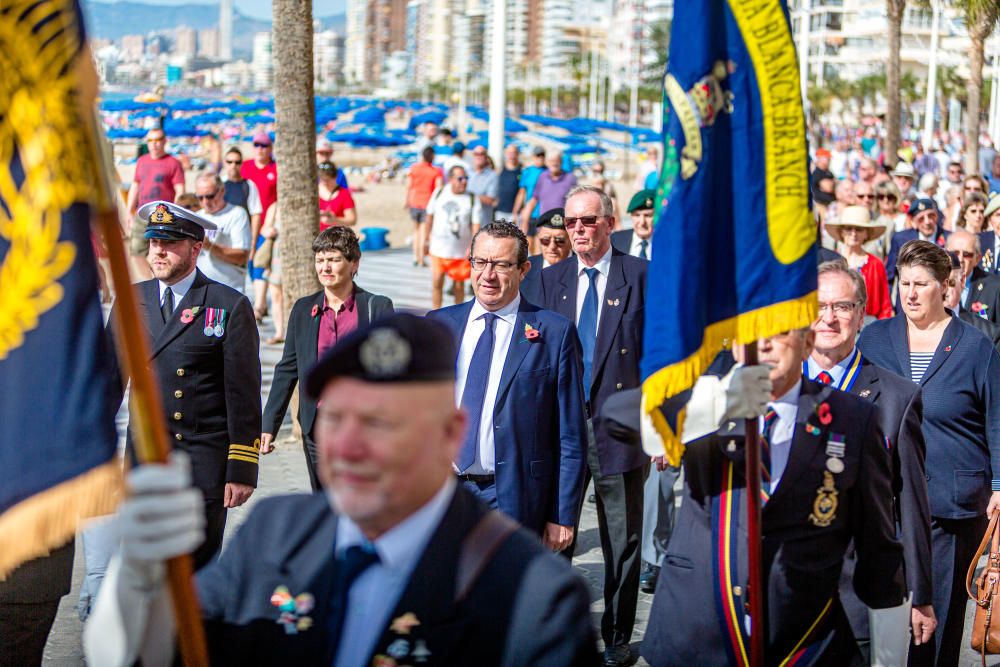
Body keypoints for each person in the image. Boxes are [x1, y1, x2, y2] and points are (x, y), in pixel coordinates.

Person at [83, 314, 600, 666]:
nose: (350, 445)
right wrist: (139, 577)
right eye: (337, 417)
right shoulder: (276, 531)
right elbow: (159, 650)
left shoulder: (531, 594)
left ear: (449, 432)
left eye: (381, 422)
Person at [641, 328, 908, 666]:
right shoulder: (705, 400)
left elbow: (878, 548)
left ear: (807, 342)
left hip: (805, 639)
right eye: (751, 332)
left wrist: (890, 656)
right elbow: (642, 433)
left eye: (778, 332)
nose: (763, 344)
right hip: (700, 633)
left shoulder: (853, 417)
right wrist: (725, 398)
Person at [859, 240, 1000, 666]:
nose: (911, 294)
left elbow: (996, 420)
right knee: (877, 619)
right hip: (881, 501)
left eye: (922, 284)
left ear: (946, 287)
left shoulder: (976, 348)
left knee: (934, 623)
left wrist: (999, 485)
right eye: (904, 284)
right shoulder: (875, 338)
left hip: (950, 506)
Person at [106, 200, 261, 570]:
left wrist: (240, 469)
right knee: (144, 570)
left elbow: (242, 395)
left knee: (197, 576)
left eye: (170, 242)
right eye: (154, 242)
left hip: (202, 462)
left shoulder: (227, 305)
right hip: (146, 459)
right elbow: (109, 385)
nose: (158, 251)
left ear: (195, 248)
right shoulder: (131, 300)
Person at [539, 185, 648, 666]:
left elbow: (663, 355)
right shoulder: (546, 281)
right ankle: (558, 630)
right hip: (557, 431)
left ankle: (618, 635)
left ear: (610, 221)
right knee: (554, 534)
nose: (578, 230)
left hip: (619, 430)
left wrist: (664, 424)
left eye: (588, 221)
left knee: (621, 541)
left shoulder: (642, 276)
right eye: (571, 223)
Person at [427, 222, 588, 547]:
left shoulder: (553, 333)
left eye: (501, 265)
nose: (488, 275)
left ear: (523, 269)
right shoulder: (439, 325)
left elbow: (570, 434)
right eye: (481, 262)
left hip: (512, 498)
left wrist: (562, 514)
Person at [808, 261, 935, 655]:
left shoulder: (898, 397)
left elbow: (910, 502)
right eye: (819, 306)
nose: (829, 318)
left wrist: (921, 594)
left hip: (861, 599)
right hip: (786, 596)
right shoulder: (773, 389)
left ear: (861, 314)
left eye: (842, 307)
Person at [262, 227, 394, 491]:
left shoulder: (376, 307)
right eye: (320, 260)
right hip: (317, 425)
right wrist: (269, 425)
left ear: (354, 263)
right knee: (325, 505)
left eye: (333, 260)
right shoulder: (303, 309)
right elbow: (288, 369)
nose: (325, 267)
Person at [426, 165, 481, 309]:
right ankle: (435, 313)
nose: (464, 181)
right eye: (460, 178)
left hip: (460, 252)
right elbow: (429, 216)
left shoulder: (472, 198)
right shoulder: (439, 193)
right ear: (450, 179)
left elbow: (476, 225)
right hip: (438, 249)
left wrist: (472, 246)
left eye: (466, 178)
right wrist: (426, 239)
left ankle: (459, 316)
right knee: (437, 282)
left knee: (459, 286)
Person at [126, 128, 185, 260]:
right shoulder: (142, 161)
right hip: (142, 213)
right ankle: (149, 279)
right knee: (136, 253)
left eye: (158, 140)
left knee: (161, 253)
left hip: (163, 215)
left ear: (164, 141)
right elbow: (135, 185)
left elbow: (180, 189)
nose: (154, 143)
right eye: (150, 140)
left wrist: (176, 213)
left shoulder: (173, 163)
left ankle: (158, 279)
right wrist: (129, 211)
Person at [824, 205, 892, 319]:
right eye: (849, 228)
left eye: (859, 229)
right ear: (841, 232)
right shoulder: (829, 260)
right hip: (834, 320)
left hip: (868, 325)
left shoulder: (875, 264)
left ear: (866, 234)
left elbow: (885, 306)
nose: (853, 233)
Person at [193, 172, 252, 293]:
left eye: (210, 196)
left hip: (228, 291)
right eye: (200, 197)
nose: (205, 202)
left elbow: (241, 257)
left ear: (222, 191)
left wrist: (210, 246)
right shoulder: (196, 217)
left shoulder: (236, 214)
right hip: (200, 291)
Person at [241, 131, 278, 322]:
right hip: (246, 226)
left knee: (260, 265)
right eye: (257, 144)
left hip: (267, 226)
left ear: (271, 148)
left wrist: (272, 223)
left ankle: (259, 305)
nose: (260, 149)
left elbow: (280, 200)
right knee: (249, 263)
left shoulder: (276, 169)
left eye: (264, 145)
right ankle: (261, 305)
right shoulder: (245, 167)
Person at [886, 198, 950, 285]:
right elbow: (889, 276)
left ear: (937, 216)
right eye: (921, 218)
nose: (927, 222)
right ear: (913, 222)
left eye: (931, 216)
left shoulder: (949, 238)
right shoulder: (901, 239)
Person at [944, 252, 1000, 347]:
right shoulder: (912, 330)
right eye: (937, 283)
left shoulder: (989, 334)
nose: (943, 290)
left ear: (962, 281)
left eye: (950, 282)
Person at [947, 229, 1000, 325]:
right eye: (955, 253)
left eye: (967, 254)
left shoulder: (995, 287)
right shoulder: (935, 284)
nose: (960, 259)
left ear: (977, 259)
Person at [520, 207, 572, 304]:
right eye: (545, 240)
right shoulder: (526, 268)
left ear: (571, 241)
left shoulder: (582, 269)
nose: (552, 246)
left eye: (560, 241)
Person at [522, 151, 577, 237]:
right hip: (544, 226)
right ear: (546, 162)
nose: (554, 163)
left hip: (562, 228)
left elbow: (576, 203)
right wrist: (525, 221)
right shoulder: (542, 176)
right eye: (551, 160)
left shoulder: (570, 178)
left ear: (561, 162)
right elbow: (534, 199)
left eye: (556, 160)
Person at [405, 146, 444, 267]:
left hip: (414, 202)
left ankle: (415, 257)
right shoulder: (436, 171)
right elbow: (439, 188)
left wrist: (406, 200)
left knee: (415, 231)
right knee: (424, 232)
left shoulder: (414, 168)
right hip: (427, 204)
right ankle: (421, 259)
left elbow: (409, 186)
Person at [221, 147, 263, 245]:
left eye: (237, 162)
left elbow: (255, 215)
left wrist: (253, 243)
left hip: (242, 238)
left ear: (241, 164)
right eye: (229, 162)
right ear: (224, 163)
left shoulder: (249, 185)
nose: (233, 165)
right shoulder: (219, 184)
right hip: (222, 237)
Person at [513, 146, 547, 251]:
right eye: (538, 156)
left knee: (539, 246)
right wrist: (515, 211)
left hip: (543, 213)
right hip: (529, 214)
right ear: (533, 157)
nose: (540, 158)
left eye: (542, 155)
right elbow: (521, 193)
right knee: (528, 245)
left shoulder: (548, 172)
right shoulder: (527, 172)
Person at [611, 189, 656, 260]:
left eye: (648, 215)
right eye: (637, 215)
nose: (642, 222)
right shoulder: (615, 241)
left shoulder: (667, 243)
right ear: (631, 216)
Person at [318, 161, 357, 228]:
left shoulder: (344, 194)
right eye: (322, 180)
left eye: (327, 180)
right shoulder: (313, 192)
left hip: (335, 235)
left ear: (335, 177)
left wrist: (335, 220)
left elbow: (352, 220)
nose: (325, 183)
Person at [468, 145, 499, 228]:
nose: (479, 156)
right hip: (466, 223)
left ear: (486, 156)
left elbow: (491, 200)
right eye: (476, 154)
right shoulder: (467, 172)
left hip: (482, 223)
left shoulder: (492, 176)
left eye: (482, 154)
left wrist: (470, 196)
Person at [495, 144, 522, 222]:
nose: (512, 156)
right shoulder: (499, 170)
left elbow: (522, 192)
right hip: (500, 211)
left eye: (514, 153)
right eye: (510, 153)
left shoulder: (522, 171)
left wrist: (516, 211)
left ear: (517, 154)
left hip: (515, 213)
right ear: (506, 154)